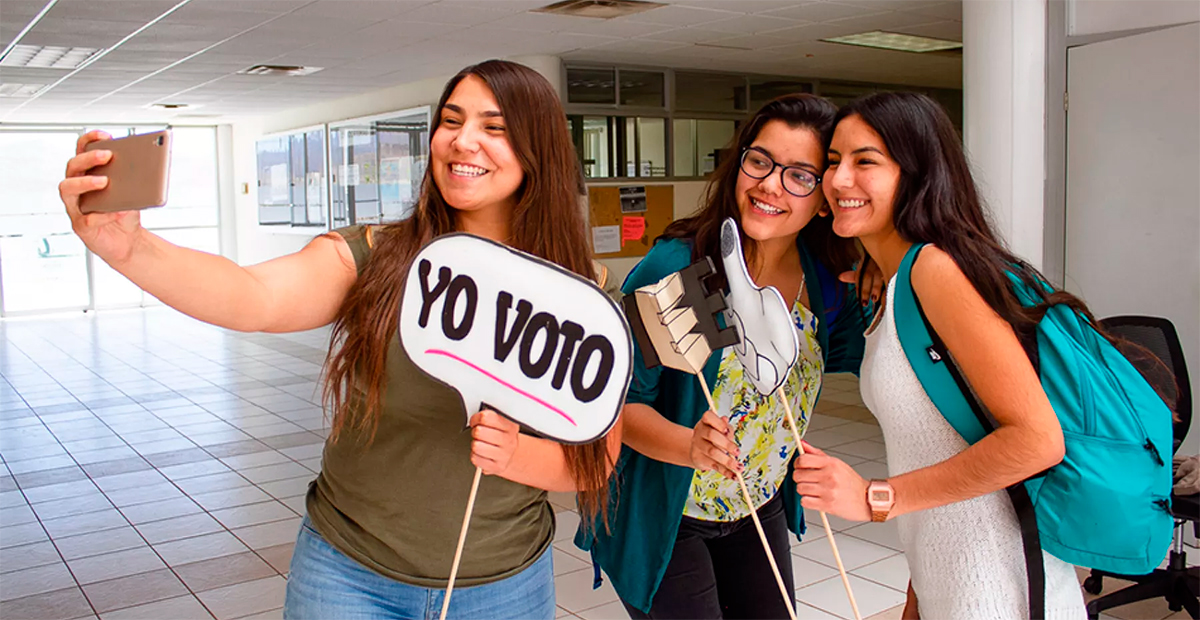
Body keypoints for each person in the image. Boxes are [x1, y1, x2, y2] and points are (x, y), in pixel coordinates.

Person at [58, 60, 621, 620]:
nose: (463, 140)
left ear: (536, 148)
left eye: (493, 128)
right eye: (451, 120)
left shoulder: (581, 299)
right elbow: (252, 296)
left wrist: (517, 455)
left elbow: (596, 463)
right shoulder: (378, 254)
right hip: (348, 577)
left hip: (504, 587)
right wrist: (131, 248)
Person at [576, 94, 871, 619]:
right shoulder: (682, 269)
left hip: (759, 504)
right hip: (671, 512)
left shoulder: (824, 278)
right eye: (760, 161)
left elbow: (875, 358)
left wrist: (885, 268)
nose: (769, 185)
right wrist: (689, 445)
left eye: (800, 175)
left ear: (824, 197)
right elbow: (617, 406)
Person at [797, 91, 1087, 619]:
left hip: (996, 586)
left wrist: (873, 498)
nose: (839, 181)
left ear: (918, 173)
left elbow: (1036, 440)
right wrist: (919, 593)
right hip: (950, 577)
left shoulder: (935, 269)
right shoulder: (897, 280)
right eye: (834, 161)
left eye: (866, 161)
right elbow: (937, 447)